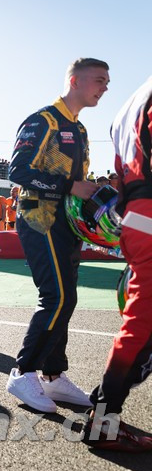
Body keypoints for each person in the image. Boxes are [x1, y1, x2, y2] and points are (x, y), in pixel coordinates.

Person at [5, 57, 108, 413]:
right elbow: (16, 170)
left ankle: (53, 375)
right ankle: (23, 371)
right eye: (99, 79)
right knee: (58, 297)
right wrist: (70, 185)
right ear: (75, 80)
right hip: (38, 218)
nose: (105, 87)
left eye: (106, 81)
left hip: (66, 223)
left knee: (66, 298)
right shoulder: (43, 120)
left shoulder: (79, 129)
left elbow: (77, 186)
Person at [83, 76, 152, 451]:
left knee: (143, 324)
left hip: (137, 214)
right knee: (142, 327)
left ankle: (103, 414)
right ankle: (103, 418)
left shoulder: (127, 105)